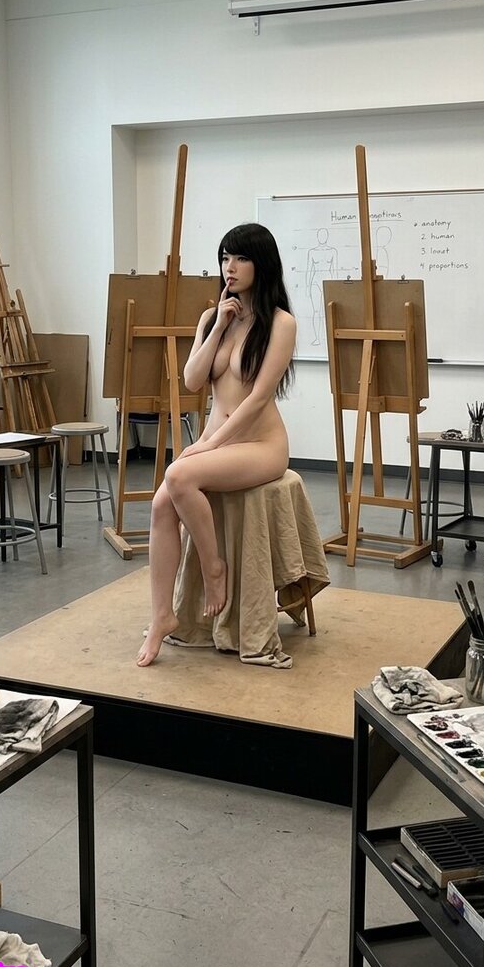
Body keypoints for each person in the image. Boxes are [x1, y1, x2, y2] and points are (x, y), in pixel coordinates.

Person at [137, 223, 296, 666]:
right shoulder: (213, 318)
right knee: (160, 503)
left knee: (178, 475)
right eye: (225, 257)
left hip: (261, 444)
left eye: (241, 258)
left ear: (261, 264)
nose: (231, 267)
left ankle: (214, 568)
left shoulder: (280, 323)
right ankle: (162, 615)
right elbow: (192, 380)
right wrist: (219, 326)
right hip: (219, 442)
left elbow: (257, 398)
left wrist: (209, 446)